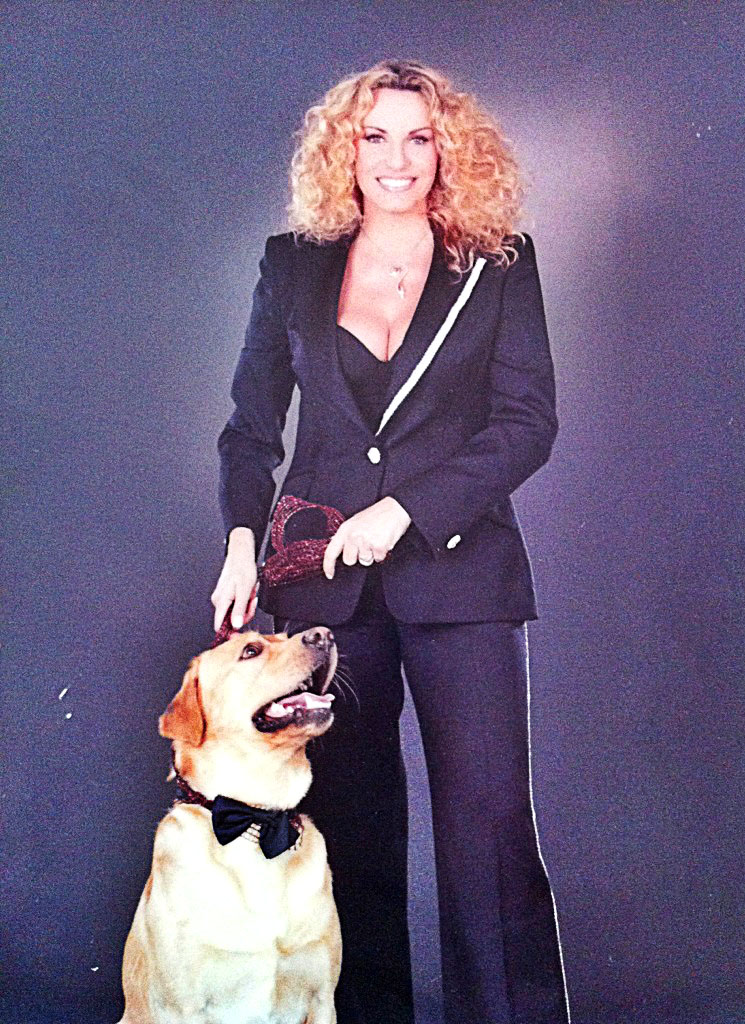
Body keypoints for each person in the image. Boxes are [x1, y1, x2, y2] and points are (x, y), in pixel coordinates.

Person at [212, 58, 571, 1024]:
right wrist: (242, 539)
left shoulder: (499, 261)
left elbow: (527, 423)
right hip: (324, 602)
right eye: (375, 136)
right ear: (346, 148)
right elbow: (251, 427)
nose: (397, 158)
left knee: (490, 839)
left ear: (448, 150)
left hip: (465, 583)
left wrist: (405, 510)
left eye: (420, 137)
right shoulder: (292, 264)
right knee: (349, 838)